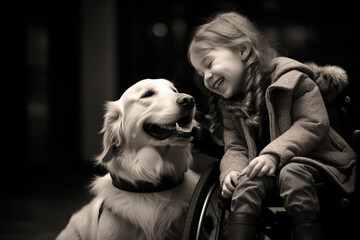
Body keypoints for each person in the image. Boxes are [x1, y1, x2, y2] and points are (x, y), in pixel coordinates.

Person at [188, 11, 357, 240]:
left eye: (209, 64)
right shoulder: (231, 105)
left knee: (292, 172)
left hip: (315, 160)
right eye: (200, 72)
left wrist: (272, 155)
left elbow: (312, 123)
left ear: (243, 51)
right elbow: (236, 147)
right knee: (246, 180)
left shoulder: (292, 79)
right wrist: (231, 172)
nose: (206, 76)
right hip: (266, 166)